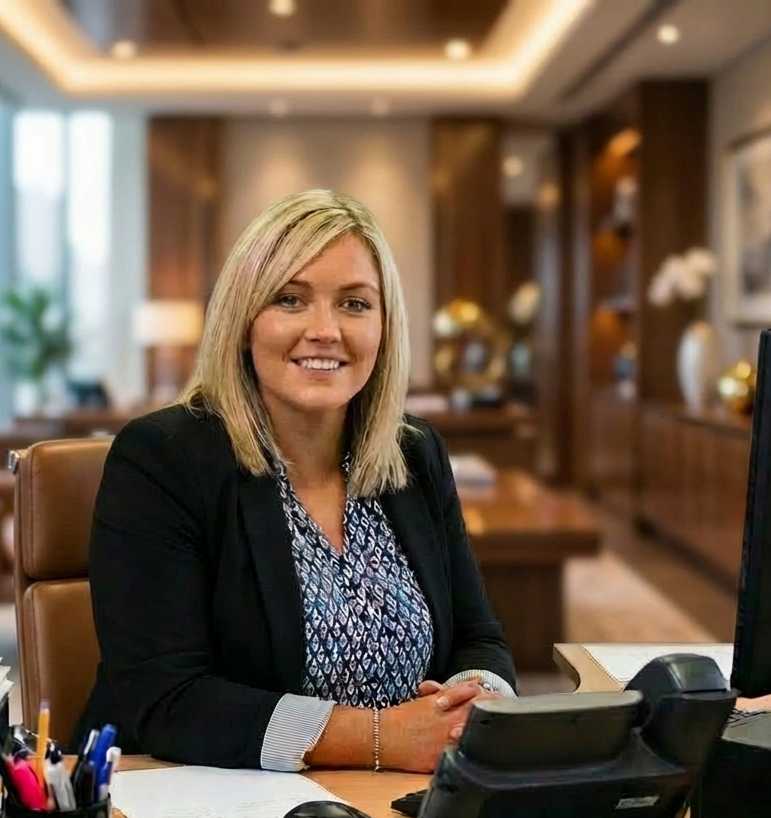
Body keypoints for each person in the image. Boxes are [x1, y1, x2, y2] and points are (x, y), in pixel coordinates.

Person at [80, 189, 517, 773]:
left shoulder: (413, 453)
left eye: (355, 304)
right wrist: (381, 736)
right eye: (290, 299)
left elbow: (477, 633)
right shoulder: (162, 459)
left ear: (386, 328)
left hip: (400, 801)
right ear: (243, 322)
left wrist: (478, 704)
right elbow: (166, 698)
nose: (325, 330)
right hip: (210, 805)